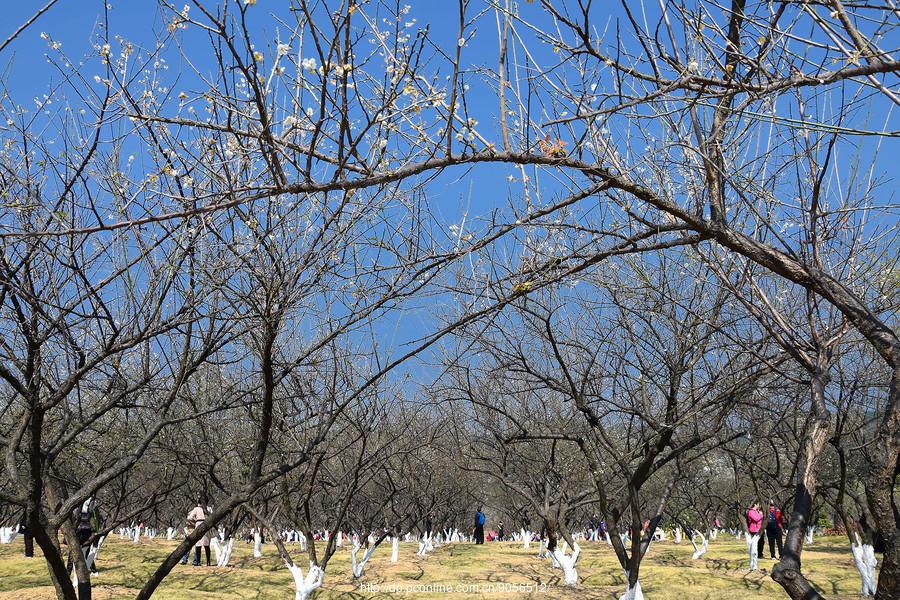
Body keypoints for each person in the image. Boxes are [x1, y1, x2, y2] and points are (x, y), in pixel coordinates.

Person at [186, 496, 211, 566]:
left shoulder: (196, 509)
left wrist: (195, 520)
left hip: (198, 524)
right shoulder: (209, 509)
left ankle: (198, 562)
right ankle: (208, 562)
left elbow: (190, 517)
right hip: (207, 525)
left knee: (198, 544)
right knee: (207, 545)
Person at [746, 502, 764, 571]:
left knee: (757, 546)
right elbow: (756, 519)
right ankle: (753, 566)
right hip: (754, 530)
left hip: (758, 530)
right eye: (758, 504)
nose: (759, 506)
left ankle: (754, 565)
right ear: (755, 505)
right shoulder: (751, 512)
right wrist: (761, 515)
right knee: (753, 548)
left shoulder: (757, 511)